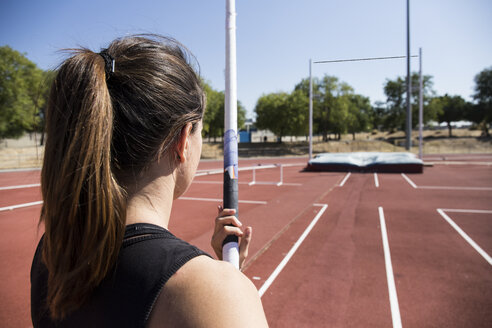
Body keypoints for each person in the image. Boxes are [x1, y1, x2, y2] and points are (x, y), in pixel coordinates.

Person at [30, 34, 269, 328]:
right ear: (182, 140)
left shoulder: (52, 253)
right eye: (200, 132)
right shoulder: (210, 293)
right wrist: (224, 286)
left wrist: (218, 279)